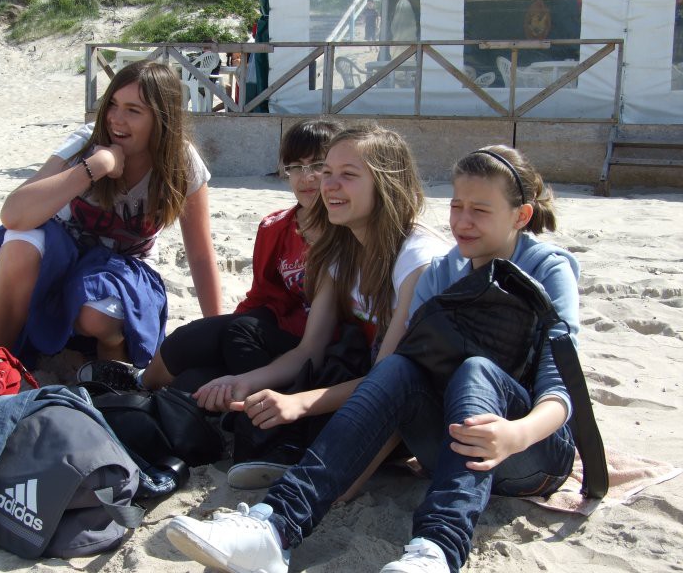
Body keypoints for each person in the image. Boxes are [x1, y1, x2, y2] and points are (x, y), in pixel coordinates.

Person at [164, 145, 579, 573]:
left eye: (480, 210)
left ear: (521, 216)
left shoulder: (547, 269)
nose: (462, 222)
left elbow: (560, 388)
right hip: (451, 440)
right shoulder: (444, 271)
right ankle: (275, 525)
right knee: (398, 365)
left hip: (531, 450)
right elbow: (399, 383)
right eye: (456, 206)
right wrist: (351, 474)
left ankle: (437, 551)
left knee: (476, 370)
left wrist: (515, 434)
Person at [189, 125, 447, 481]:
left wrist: (298, 404)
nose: (328, 185)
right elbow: (309, 350)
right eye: (327, 172)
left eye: (348, 175)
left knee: (310, 430)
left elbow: (388, 383)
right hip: (372, 381)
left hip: (425, 408)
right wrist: (244, 381)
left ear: (387, 183)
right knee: (209, 371)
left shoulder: (419, 261)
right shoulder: (340, 248)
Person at [0, 61, 221, 369]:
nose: (116, 119)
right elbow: (13, 214)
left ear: (162, 119)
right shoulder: (87, 143)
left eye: (133, 110)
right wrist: (96, 167)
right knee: (21, 241)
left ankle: (109, 357)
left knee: (98, 315)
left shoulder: (181, 163)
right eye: (112, 104)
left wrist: (217, 332)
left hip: (120, 271)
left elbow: (200, 255)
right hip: (60, 262)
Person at [80, 119, 342, 393]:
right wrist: (219, 330)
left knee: (230, 336)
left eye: (317, 165)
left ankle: (143, 383)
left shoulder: (347, 232)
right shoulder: (275, 228)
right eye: (296, 167)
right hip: (278, 325)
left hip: (318, 343)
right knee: (190, 362)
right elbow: (264, 295)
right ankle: (141, 384)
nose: (306, 177)